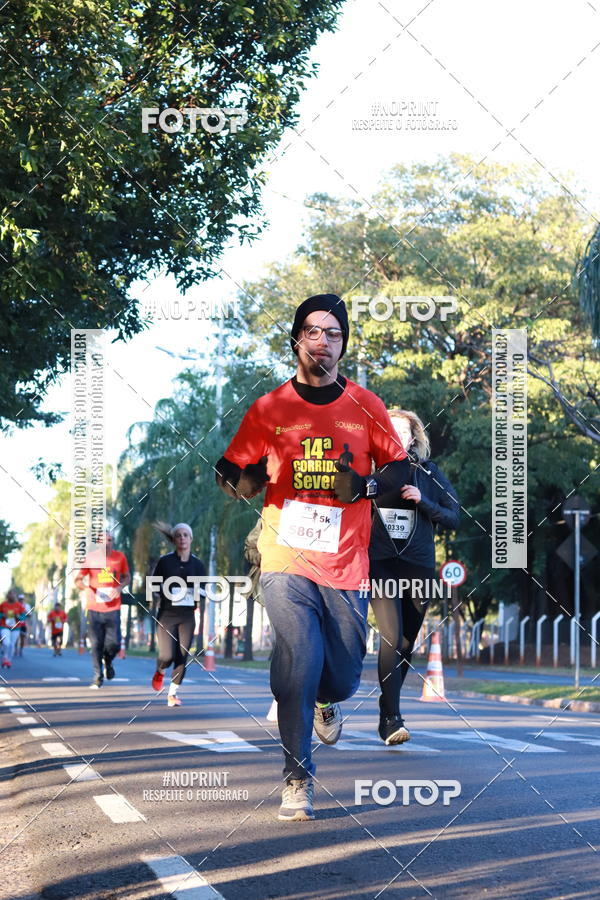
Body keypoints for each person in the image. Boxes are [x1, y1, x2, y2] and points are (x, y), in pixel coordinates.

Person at [215, 293, 410, 821]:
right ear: (297, 339)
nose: (322, 340)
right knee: (299, 655)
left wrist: (366, 486)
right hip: (285, 556)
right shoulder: (270, 408)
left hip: (346, 565)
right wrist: (244, 481)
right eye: (312, 331)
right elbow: (229, 469)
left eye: (333, 332)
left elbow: (400, 472)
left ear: (344, 344)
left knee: (343, 676)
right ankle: (296, 780)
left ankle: (325, 702)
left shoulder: (366, 406)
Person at [369, 409, 460, 744]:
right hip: (380, 562)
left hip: (418, 565)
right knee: (391, 636)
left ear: (414, 437)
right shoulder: (372, 470)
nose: (398, 437)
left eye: (404, 432)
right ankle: (393, 718)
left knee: (407, 642)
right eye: (390, 430)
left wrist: (424, 502)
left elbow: (454, 516)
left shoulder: (429, 473)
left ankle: (386, 706)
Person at [150, 522, 206, 707]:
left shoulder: (197, 565)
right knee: (167, 655)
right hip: (167, 614)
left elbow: (204, 589)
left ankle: (172, 693)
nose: (182, 538)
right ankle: (160, 669)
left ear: (191, 539)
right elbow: (154, 585)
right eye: (179, 535)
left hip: (187, 616)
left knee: (182, 655)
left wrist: (197, 592)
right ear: (174, 539)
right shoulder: (165, 561)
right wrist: (164, 591)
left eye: (186, 535)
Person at [74, 531, 130, 688]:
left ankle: (108, 661)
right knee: (96, 643)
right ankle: (97, 676)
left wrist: (119, 588)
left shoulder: (120, 557)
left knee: (114, 644)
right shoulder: (90, 558)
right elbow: (78, 579)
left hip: (113, 608)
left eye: (110, 540)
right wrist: (85, 588)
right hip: (94, 608)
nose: (107, 543)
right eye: (103, 540)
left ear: (113, 542)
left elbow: (127, 577)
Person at [0, 590, 26, 668]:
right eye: (10, 594)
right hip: (4, 626)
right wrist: (3, 615)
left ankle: (8, 660)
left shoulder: (19, 605)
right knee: (6, 642)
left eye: (13, 594)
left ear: (15, 596)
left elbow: (23, 617)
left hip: (16, 628)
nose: (12, 596)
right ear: (8, 595)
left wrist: (18, 616)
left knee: (12, 644)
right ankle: (5, 657)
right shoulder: (3, 604)